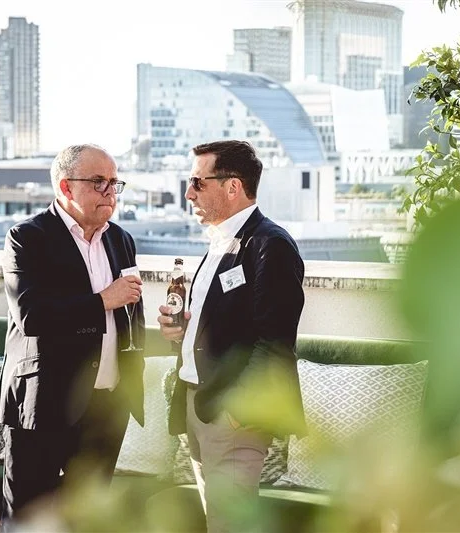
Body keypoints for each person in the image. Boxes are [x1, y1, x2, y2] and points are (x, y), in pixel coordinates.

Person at [159, 140, 306, 533]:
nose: (188, 193)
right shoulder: (221, 242)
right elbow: (225, 325)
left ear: (232, 187)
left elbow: (275, 340)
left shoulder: (270, 245)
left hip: (229, 412)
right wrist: (181, 332)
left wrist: (238, 412)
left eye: (196, 182)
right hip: (200, 403)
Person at [0, 144, 145, 524]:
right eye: (99, 182)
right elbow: (32, 315)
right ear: (65, 187)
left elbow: (128, 311)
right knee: (30, 519)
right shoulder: (27, 238)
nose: (110, 191)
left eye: (114, 182)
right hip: (45, 404)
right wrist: (101, 301)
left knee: (87, 520)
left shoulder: (121, 239)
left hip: (106, 408)